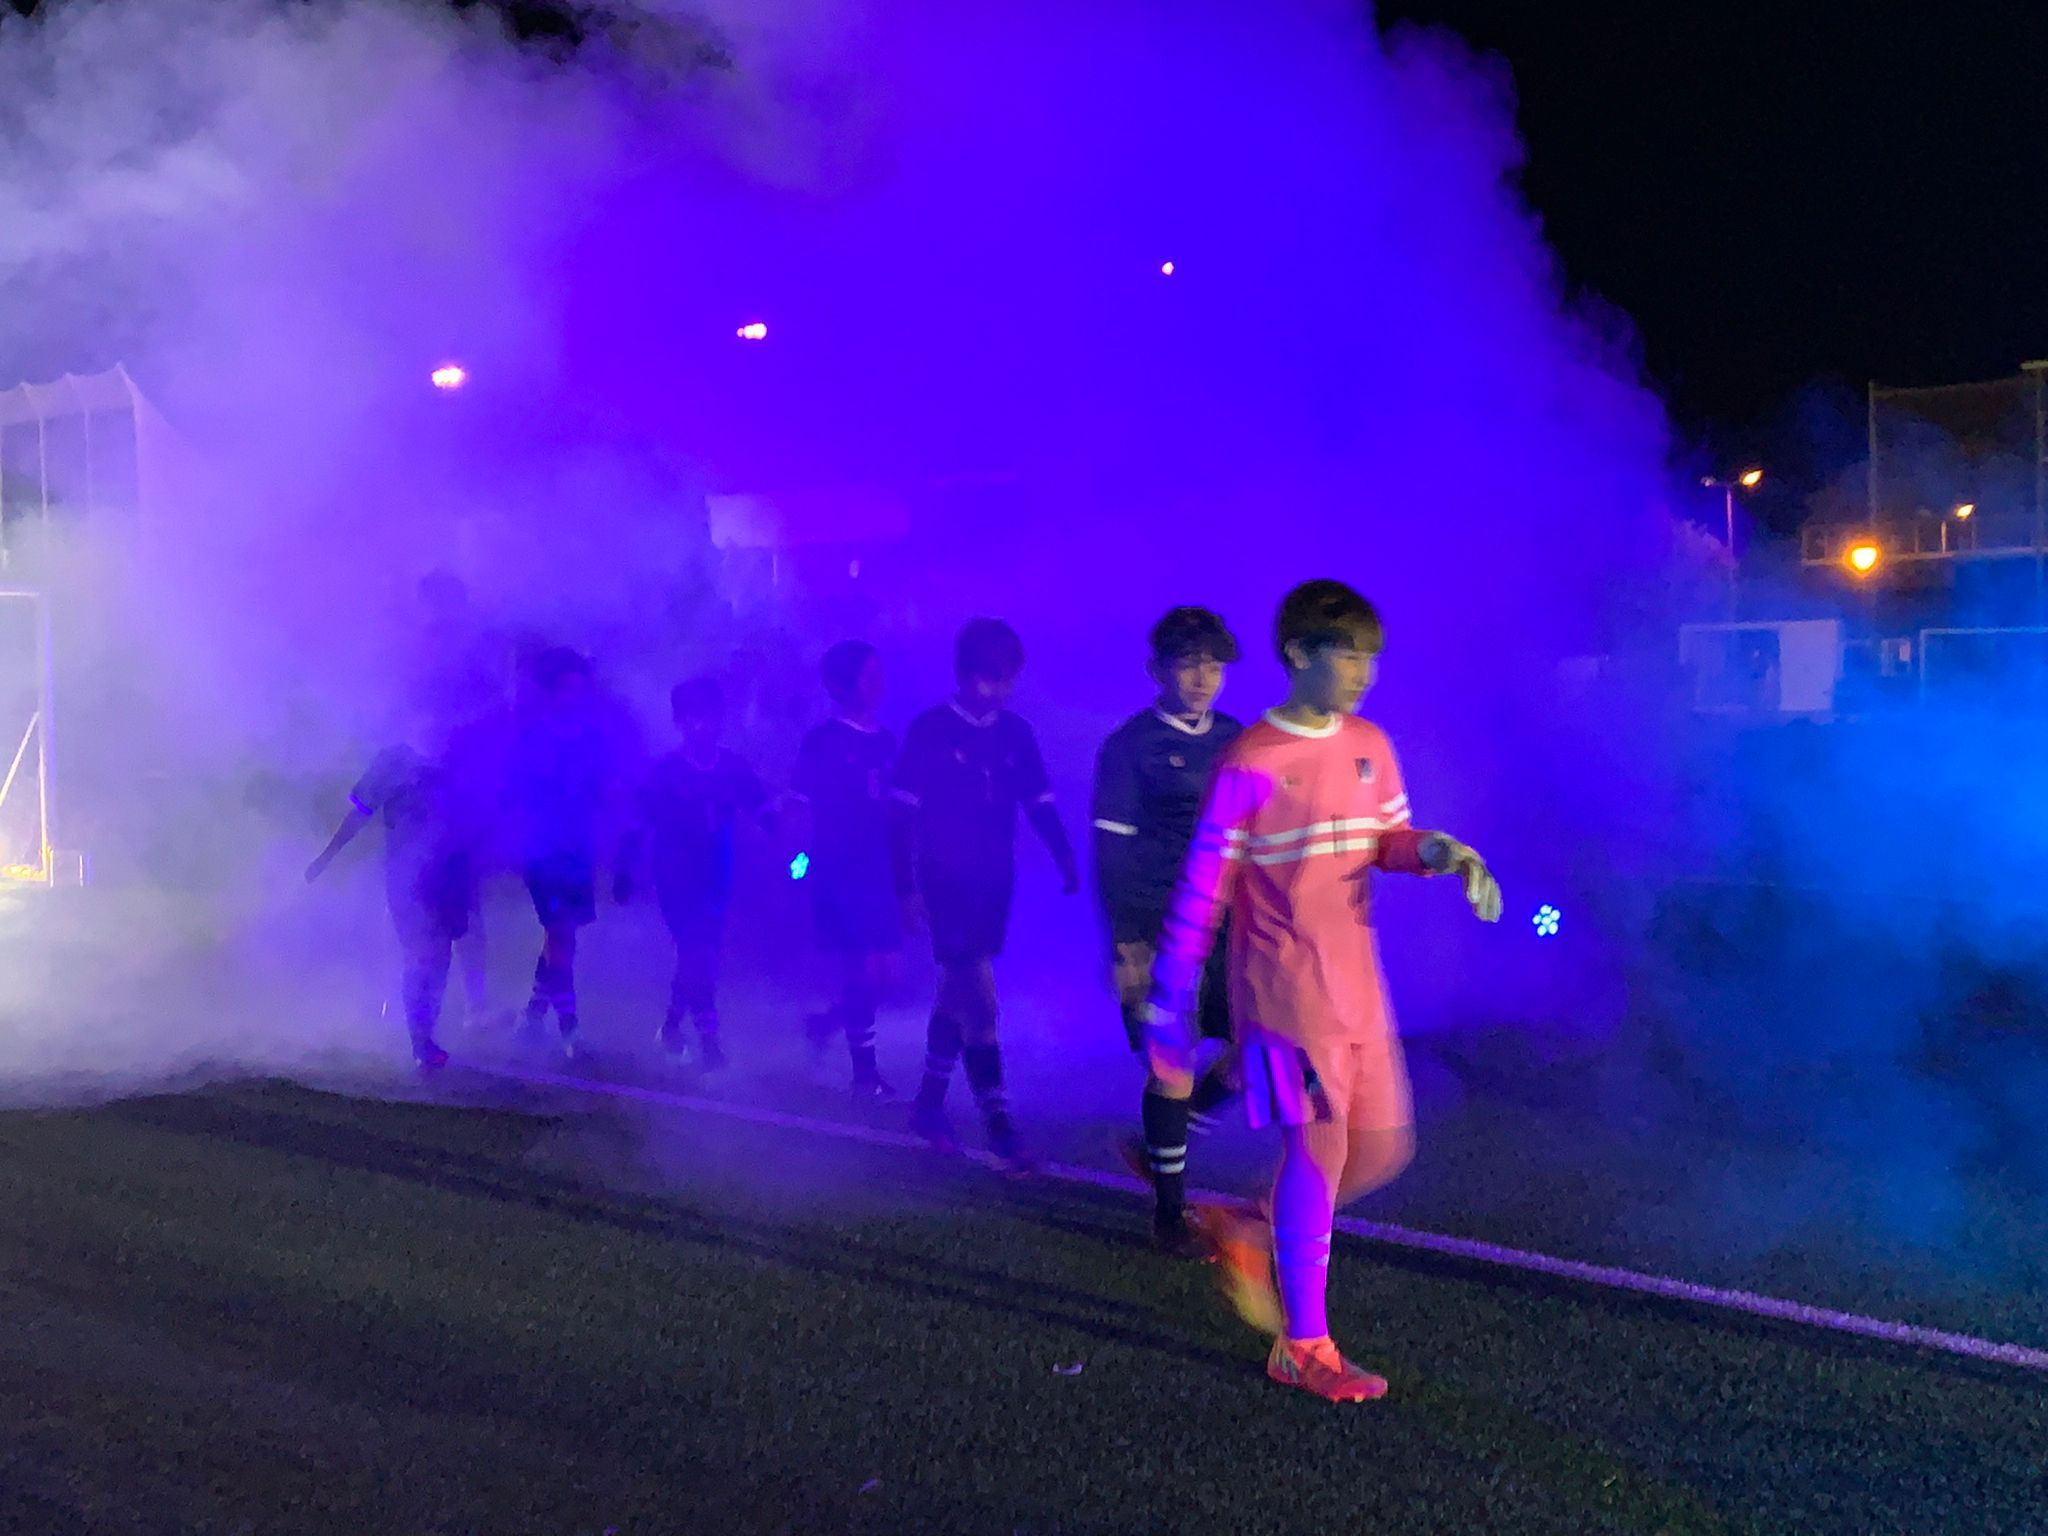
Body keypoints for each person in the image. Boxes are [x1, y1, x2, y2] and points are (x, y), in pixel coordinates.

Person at [1145, 579, 1501, 1403]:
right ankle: (1302, 1345)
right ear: (1298, 654)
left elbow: (1388, 839)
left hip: (1358, 988)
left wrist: (1441, 853)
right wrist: (1171, 991)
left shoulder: (1372, 743)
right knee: (1323, 1148)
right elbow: (1204, 888)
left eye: (1372, 656)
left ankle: (1244, 1223)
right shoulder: (1251, 762)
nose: (1365, 672)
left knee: (1383, 1150)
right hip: (1279, 992)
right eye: (1349, 655)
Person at [893, 618, 1078, 1172]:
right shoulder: (929, 730)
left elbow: (1038, 803)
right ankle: (999, 1123)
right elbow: (899, 817)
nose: (994, 690)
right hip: (943, 880)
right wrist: (905, 889)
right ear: (963, 675)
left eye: (1004, 679)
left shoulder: (1016, 734)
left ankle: (928, 1103)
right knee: (981, 999)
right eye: (985, 679)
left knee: (956, 992)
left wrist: (1064, 857)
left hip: (995, 883)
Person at [1091, 606, 1244, 1255]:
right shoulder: (1130, 747)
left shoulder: (1239, 738)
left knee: (1266, 1053)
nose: (1203, 676)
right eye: (1189, 663)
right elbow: (1112, 852)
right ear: (1158, 670)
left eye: (1214, 664)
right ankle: (1169, 1213)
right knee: (1172, 1065)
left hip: (1231, 929)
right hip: (1162, 933)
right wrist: (1127, 942)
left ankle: (1165, 1144)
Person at [306, 687, 490, 1070]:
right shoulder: (393, 762)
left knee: (440, 957)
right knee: (422, 954)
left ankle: (429, 1032)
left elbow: (477, 821)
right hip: (409, 876)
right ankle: (420, 1039)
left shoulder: (458, 763)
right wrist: (328, 855)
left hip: (449, 876)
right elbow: (359, 813)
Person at [615, 676, 769, 1071]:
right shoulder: (664, 771)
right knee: (695, 950)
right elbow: (636, 823)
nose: (704, 725)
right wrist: (624, 871)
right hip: (674, 873)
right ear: (679, 722)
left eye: (711, 716)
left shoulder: (733, 766)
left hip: (718, 872)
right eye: (693, 718)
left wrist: (796, 857)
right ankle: (709, 1040)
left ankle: (670, 1025)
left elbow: (764, 808)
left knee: (703, 955)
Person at [792, 640, 902, 1102]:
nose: (876, 682)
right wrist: (798, 860)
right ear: (842, 684)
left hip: (878, 869)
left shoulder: (885, 740)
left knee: (884, 974)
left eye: (879, 671)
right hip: (839, 869)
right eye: (867, 673)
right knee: (860, 967)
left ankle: (825, 1024)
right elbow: (799, 806)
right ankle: (864, 1074)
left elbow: (896, 808)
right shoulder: (823, 741)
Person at [508, 646, 613, 1060]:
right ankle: (569, 1028)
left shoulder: (587, 736)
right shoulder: (535, 733)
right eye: (571, 689)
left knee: (562, 936)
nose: (578, 696)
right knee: (561, 932)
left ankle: (532, 1017)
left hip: (575, 850)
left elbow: (597, 791)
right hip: (541, 850)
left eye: (582, 688)